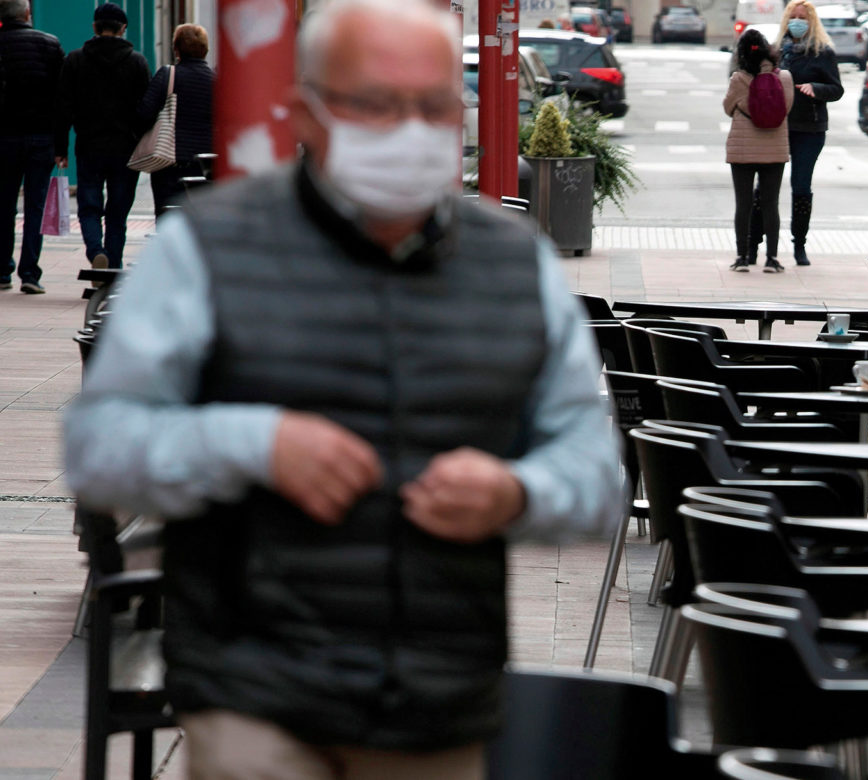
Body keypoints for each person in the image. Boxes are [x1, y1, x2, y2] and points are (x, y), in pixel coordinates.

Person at [63, 0, 624, 775]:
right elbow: (98, 447)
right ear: (309, 113)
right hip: (255, 695)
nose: (408, 129)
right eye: (375, 103)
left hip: (436, 702)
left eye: (432, 105)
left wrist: (517, 492)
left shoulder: (514, 265)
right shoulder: (210, 248)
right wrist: (252, 443)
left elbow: (595, 472)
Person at [54, 2, 150, 272]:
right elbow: (146, 108)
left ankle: (96, 250)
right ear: (123, 29)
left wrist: (60, 147)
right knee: (118, 212)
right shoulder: (137, 62)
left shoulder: (75, 60)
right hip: (125, 148)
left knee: (89, 206)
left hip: (89, 145)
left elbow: (63, 107)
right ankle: (112, 266)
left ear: (95, 27)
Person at [0, 0, 64, 295]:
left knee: (5, 205)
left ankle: (2, 268)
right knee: (35, 206)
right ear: (27, 14)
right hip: (41, 137)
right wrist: (60, 143)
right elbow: (61, 97)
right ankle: (30, 272)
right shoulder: (49, 44)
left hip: (4, 137)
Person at [773, 0, 841, 266]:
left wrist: (816, 88)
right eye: (793, 16)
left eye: (803, 17)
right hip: (776, 127)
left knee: (801, 187)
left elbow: (836, 89)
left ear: (812, 21)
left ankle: (799, 244)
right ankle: (755, 245)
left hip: (809, 129)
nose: (797, 22)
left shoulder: (822, 52)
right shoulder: (776, 51)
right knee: (765, 187)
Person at [724, 27, 793, 274]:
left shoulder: (738, 78)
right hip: (774, 148)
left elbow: (727, 108)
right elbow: (786, 108)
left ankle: (742, 257)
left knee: (743, 204)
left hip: (742, 150)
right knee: (771, 203)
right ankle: (772, 259)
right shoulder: (784, 77)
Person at [136, 23, 214, 216]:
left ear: (176, 49)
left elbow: (144, 114)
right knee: (201, 216)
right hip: (205, 164)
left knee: (167, 216)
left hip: (169, 161)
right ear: (205, 50)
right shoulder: (217, 81)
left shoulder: (167, 76)